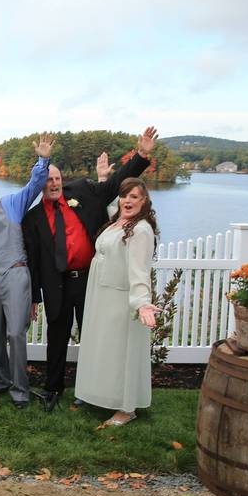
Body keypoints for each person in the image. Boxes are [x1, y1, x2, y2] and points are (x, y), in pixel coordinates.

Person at [22, 128, 157, 412]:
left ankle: (92, 390)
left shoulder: (83, 191)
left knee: (94, 336)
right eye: (48, 179)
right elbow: (33, 260)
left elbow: (117, 184)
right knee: (56, 337)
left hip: (90, 282)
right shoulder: (32, 218)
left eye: (57, 178)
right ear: (40, 184)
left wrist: (141, 156)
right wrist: (35, 296)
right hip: (56, 283)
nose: (54, 183)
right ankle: (53, 388)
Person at [0, 133, 54, 409]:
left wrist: (42, 160)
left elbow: (35, 185)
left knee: (15, 333)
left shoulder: (12, 204)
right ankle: (0, 380)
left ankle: (20, 391)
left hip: (16, 274)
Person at [74, 178, 160, 426]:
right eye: (125, 196)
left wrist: (142, 303)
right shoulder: (118, 220)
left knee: (123, 353)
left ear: (144, 202)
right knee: (106, 351)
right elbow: (110, 202)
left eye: (135, 197)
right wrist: (103, 180)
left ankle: (127, 408)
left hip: (121, 299)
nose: (128, 201)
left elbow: (139, 271)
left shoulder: (141, 230)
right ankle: (104, 395)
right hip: (102, 294)